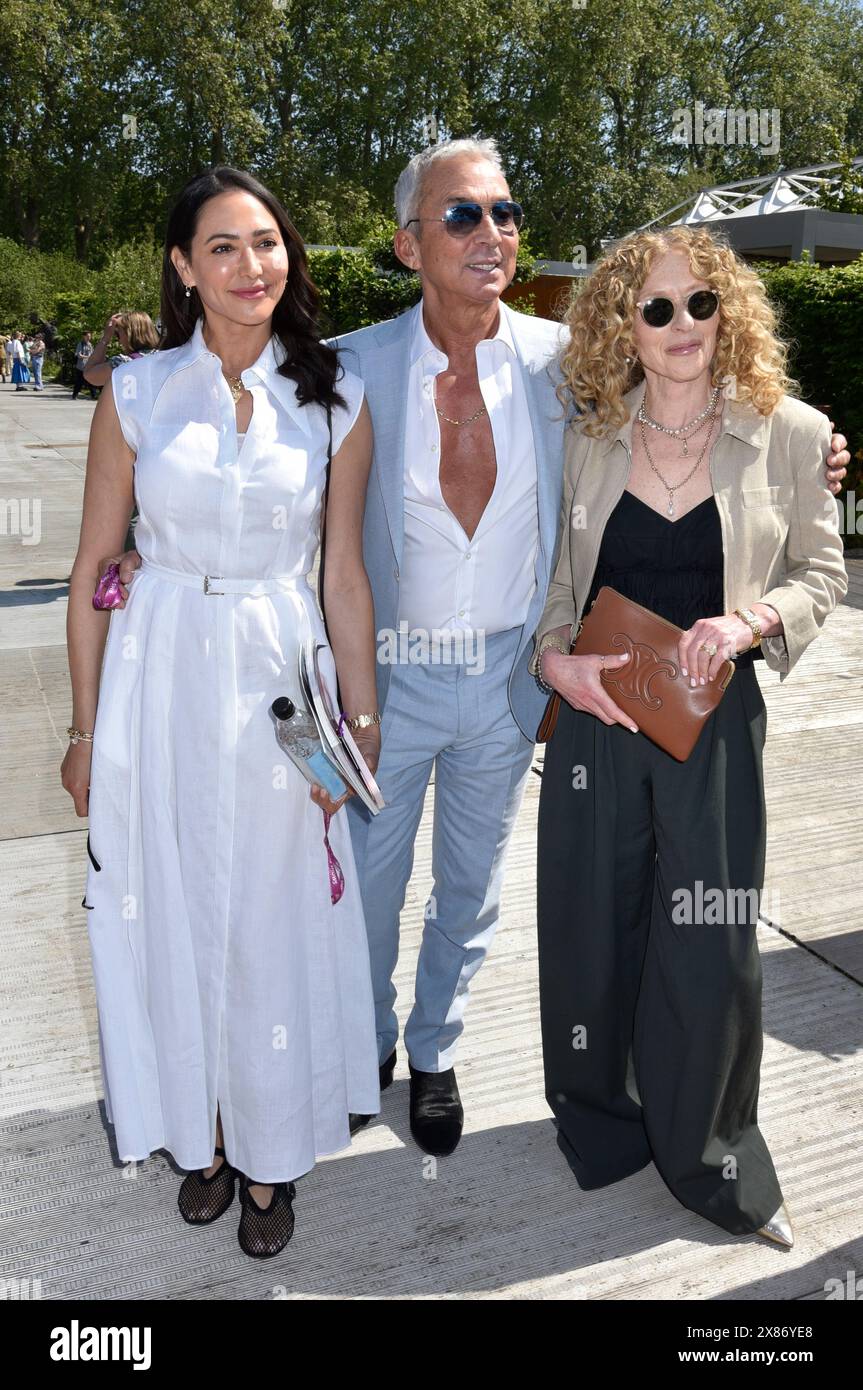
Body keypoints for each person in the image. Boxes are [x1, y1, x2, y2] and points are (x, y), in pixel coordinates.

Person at [96, 138, 851, 1165]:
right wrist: (155, 561)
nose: (489, 234)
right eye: (461, 217)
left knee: (469, 885)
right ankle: (357, 1048)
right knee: (360, 880)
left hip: (509, 675)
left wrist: (811, 453)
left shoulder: (563, 361)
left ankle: (436, 1049)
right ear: (409, 243)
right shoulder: (344, 366)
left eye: (501, 214)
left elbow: (697, 384)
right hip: (382, 679)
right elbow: (239, 456)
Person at [61, 165, 381, 1259]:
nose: (254, 266)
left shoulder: (334, 396)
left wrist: (363, 723)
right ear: (183, 268)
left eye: (269, 243)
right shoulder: (139, 392)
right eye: (226, 247)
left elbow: (342, 571)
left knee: (272, 917)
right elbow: (94, 567)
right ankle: (192, 1137)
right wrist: (84, 729)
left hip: (285, 684)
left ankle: (270, 1153)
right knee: (167, 907)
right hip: (161, 675)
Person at [529, 224, 848, 1246]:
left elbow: (819, 572)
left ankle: (710, 1151)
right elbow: (546, 587)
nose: (679, 327)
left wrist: (749, 621)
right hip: (597, 716)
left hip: (713, 723)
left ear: (727, 312)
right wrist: (552, 662)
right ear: (622, 322)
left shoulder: (790, 431)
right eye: (654, 307)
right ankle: (601, 1118)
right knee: (590, 921)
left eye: (698, 304)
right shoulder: (584, 433)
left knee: (709, 937)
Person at [83, 311, 160, 390]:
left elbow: (89, 374)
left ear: (128, 334)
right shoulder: (164, 357)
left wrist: (106, 338)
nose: (119, 341)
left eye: (118, 334)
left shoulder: (123, 363)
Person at [72, 333, 97, 399]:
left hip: (89, 366)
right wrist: (88, 357)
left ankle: (94, 395)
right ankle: (74, 395)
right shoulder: (80, 344)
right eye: (87, 336)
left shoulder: (90, 345)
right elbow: (79, 355)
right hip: (81, 366)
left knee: (90, 380)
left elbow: (92, 354)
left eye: (90, 336)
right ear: (84, 336)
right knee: (79, 382)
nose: (89, 337)